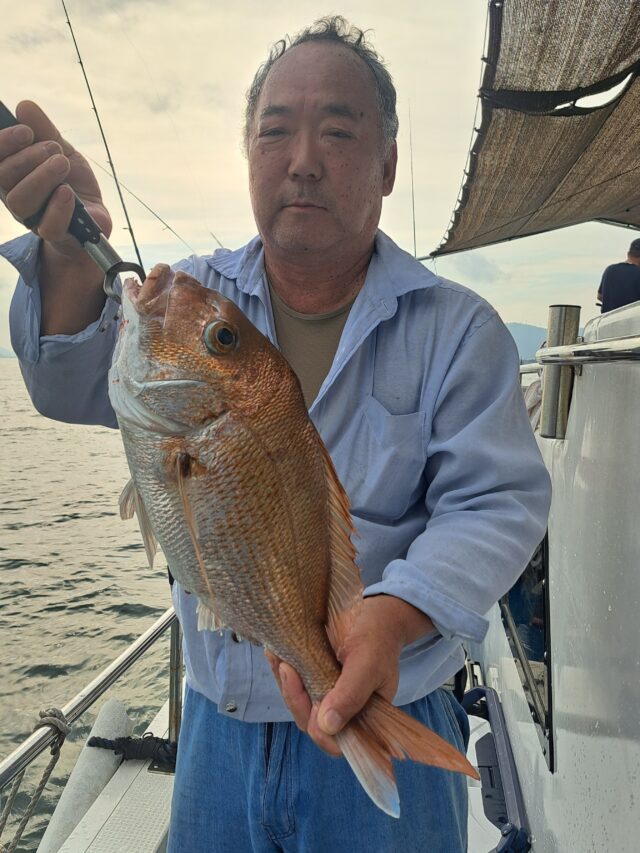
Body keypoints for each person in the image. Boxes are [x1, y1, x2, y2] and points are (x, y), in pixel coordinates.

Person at [0, 17, 551, 853]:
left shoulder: (458, 329)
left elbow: (496, 501)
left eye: (338, 131)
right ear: (249, 153)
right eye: (276, 131)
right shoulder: (190, 295)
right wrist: (73, 256)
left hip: (398, 693)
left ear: (388, 164)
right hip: (217, 731)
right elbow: (69, 383)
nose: (303, 159)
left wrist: (394, 614)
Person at [597, 238, 640, 313]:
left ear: (628, 254)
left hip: (609, 319)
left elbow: (600, 296)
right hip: (632, 319)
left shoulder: (610, 270)